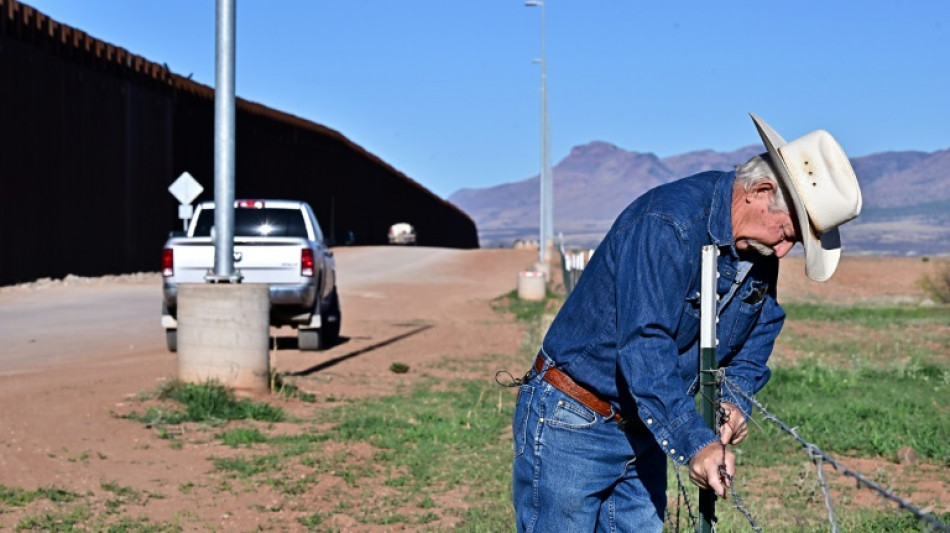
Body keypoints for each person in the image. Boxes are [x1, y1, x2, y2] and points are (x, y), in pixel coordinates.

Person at [510, 113, 863, 532]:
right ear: (760, 192)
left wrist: (735, 398)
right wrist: (696, 442)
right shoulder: (667, 226)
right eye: (787, 233)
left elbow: (762, 323)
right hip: (572, 420)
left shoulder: (757, 246)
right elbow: (646, 343)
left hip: (642, 424)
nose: (784, 251)